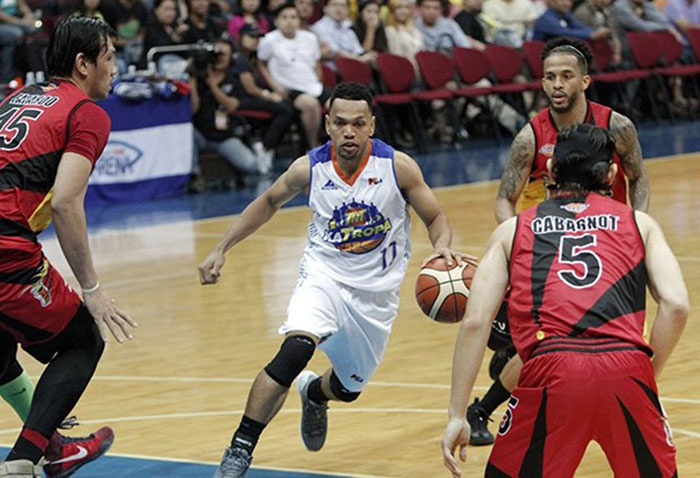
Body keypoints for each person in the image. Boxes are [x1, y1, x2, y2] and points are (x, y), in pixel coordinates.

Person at [200, 81, 473, 478]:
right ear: (327, 124)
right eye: (341, 123)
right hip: (323, 278)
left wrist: (442, 246)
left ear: (372, 126)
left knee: (349, 388)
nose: (349, 131)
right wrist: (221, 247)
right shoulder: (308, 168)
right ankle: (240, 448)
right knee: (294, 351)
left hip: (376, 297)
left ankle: (314, 394)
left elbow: (435, 217)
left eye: (358, 123)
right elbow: (268, 201)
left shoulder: (397, 166)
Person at [441, 122, 688, 477]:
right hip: (627, 367)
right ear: (611, 175)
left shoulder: (512, 229)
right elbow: (677, 305)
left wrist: (457, 413)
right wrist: (647, 374)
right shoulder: (640, 223)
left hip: (552, 370)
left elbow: (477, 321)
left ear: (552, 170)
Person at [466, 37, 650, 446]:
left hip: (610, 250)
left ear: (585, 80)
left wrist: (637, 229)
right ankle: (486, 407)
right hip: (553, 250)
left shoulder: (617, 127)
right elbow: (503, 199)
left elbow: (638, 179)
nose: (557, 84)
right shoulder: (531, 137)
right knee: (551, 344)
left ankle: (497, 390)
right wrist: (518, 244)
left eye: (566, 76)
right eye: (549, 77)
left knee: (606, 344)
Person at [0, 17, 137, 478]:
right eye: (110, 57)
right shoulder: (87, 114)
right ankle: (22, 460)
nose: (117, 66)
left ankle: (52, 447)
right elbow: (65, 202)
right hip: (5, 246)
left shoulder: (19, 97)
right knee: (84, 337)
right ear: (83, 63)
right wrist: (92, 288)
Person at [190, 37, 269, 178]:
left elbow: (231, 106)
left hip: (224, 137)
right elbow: (193, 108)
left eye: (223, 55)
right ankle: (194, 176)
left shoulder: (233, 80)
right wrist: (193, 77)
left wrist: (213, 86)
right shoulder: (198, 79)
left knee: (251, 165)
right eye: (216, 54)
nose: (219, 58)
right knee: (187, 133)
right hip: (201, 134)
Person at [258, 2, 332, 148]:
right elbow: (261, 64)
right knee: (310, 104)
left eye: (293, 17)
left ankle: (337, 146)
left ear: (299, 20)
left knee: (340, 104)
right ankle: (313, 146)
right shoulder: (269, 40)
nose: (289, 21)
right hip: (290, 88)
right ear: (276, 21)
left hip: (313, 85)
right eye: (284, 17)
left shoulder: (309, 38)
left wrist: (318, 78)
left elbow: (317, 63)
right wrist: (275, 87)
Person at [232, 23, 295, 169]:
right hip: (242, 99)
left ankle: (267, 146)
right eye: (251, 37)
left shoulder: (254, 58)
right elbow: (250, 88)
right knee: (285, 109)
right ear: (241, 38)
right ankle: (265, 148)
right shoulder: (239, 59)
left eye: (257, 38)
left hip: (254, 98)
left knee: (288, 106)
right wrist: (269, 96)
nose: (255, 40)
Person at [532, 0, 613, 42]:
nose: (567, 3)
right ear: (551, 1)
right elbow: (565, 33)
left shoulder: (564, 14)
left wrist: (596, 31)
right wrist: (590, 35)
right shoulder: (546, 18)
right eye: (562, 0)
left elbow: (579, 26)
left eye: (569, 0)